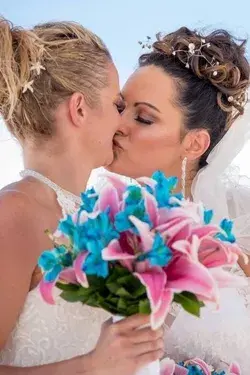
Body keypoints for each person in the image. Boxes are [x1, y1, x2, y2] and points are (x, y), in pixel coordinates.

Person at [0, 18, 164, 374]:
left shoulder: (92, 218)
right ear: (79, 109)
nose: (123, 125)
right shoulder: (14, 214)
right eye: (117, 104)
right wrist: (90, 367)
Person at [105, 27, 250, 372]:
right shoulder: (89, 224)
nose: (117, 124)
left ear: (195, 144)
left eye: (143, 117)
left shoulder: (239, 224)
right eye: (120, 107)